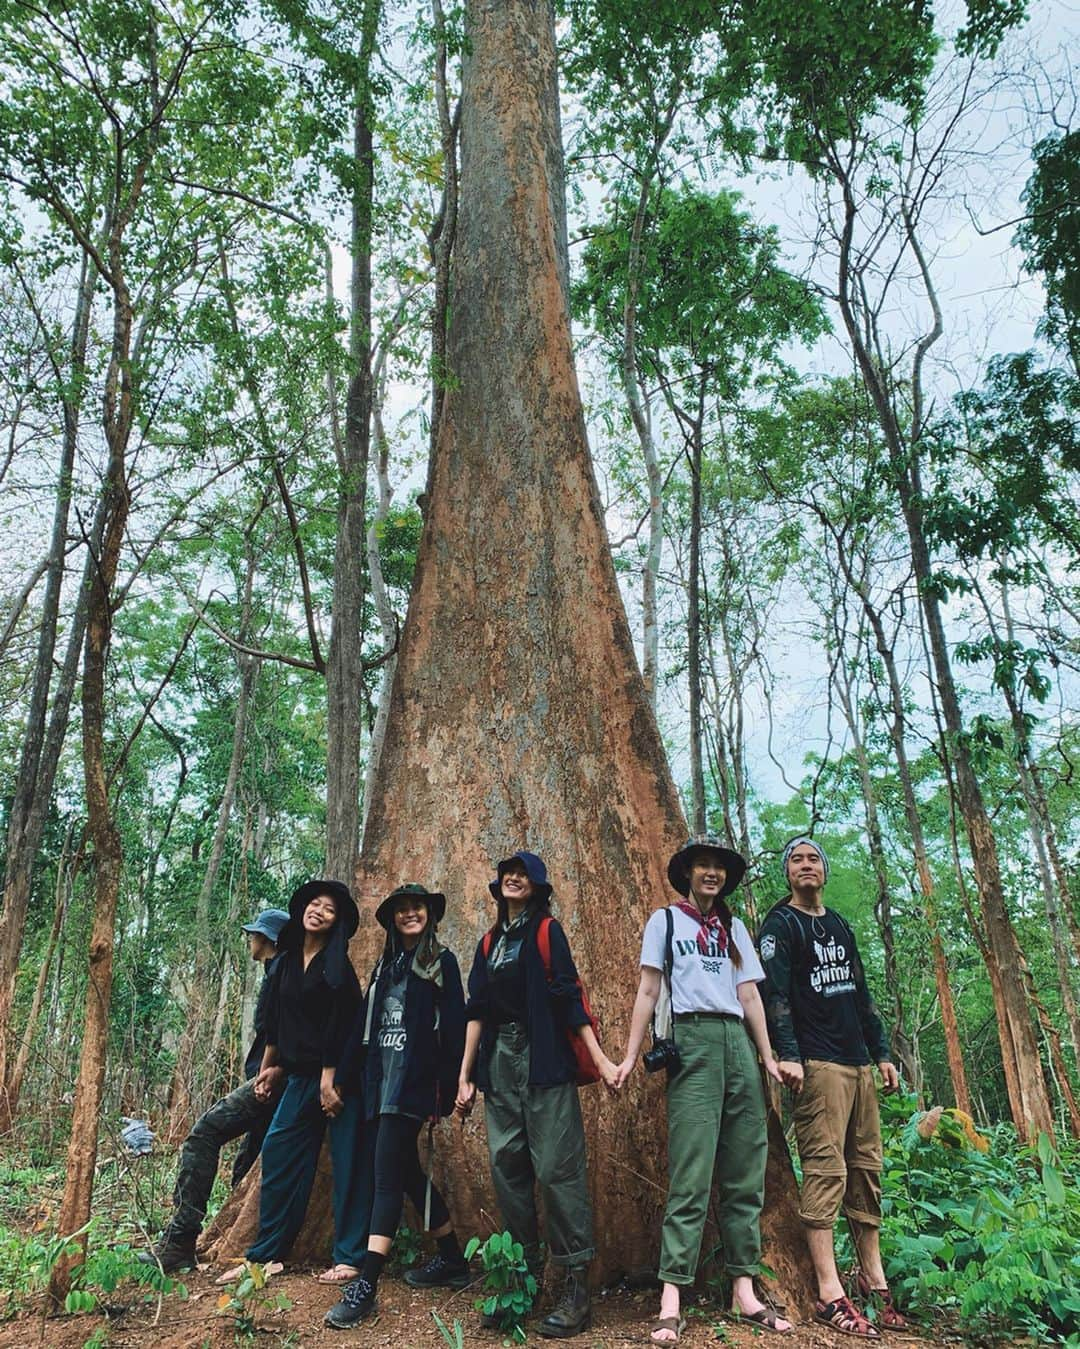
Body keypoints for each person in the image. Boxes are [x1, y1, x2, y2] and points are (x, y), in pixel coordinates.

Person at [614, 835, 792, 1345]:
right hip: (690, 1040)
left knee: (744, 1171)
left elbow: (750, 995)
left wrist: (767, 1058)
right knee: (691, 1169)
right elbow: (649, 988)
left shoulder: (734, 928)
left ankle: (744, 1288)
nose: (711, 873)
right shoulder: (665, 922)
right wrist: (629, 1055)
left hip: (737, 1042)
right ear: (688, 874)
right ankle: (671, 1297)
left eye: (718, 867)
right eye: (703, 866)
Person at [456, 850, 618, 1339]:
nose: (513, 878)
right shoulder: (489, 944)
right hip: (499, 1061)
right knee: (508, 1167)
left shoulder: (547, 933)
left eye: (523, 874)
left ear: (538, 887)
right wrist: (466, 1077)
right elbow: (476, 1011)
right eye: (507, 873)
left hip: (544, 1059)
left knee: (555, 1168)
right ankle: (520, 1282)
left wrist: (602, 1059)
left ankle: (575, 1284)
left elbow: (569, 998)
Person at [758, 837, 906, 1338]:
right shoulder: (781, 926)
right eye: (795, 859)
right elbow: (773, 994)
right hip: (817, 1066)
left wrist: (881, 1053)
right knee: (825, 1171)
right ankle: (829, 1293)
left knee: (866, 1170)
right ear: (787, 873)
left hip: (859, 1064)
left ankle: (874, 1279)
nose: (805, 865)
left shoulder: (839, 923)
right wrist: (788, 1054)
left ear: (824, 870)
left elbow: (861, 992)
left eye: (812, 858)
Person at [324, 883, 469, 1328]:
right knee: (407, 1173)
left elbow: (458, 1028)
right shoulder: (385, 967)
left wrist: (451, 1089)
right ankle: (452, 1258)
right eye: (402, 909)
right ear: (392, 919)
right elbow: (361, 1031)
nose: (410, 914)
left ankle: (367, 1283)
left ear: (429, 914)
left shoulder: (441, 963)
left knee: (386, 1175)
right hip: (379, 1084)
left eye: (417, 907)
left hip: (413, 1086)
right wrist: (341, 1080)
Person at [216, 879, 368, 1286]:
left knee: (347, 1161)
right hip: (300, 1077)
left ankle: (351, 1256)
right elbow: (277, 1023)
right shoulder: (284, 963)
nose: (318, 911)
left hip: (342, 1079)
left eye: (329, 909)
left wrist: (330, 1080)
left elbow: (343, 1027)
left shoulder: (338, 966)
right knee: (279, 1152)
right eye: (314, 904)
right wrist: (270, 1068)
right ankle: (266, 1255)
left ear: (337, 922)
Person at [139, 907, 290, 1273]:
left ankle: (180, 1240)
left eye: (254, 934)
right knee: (248, 1167)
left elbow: (284, 1032)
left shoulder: (281, 975)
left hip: (270, 1084)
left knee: (203, 1134)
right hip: (273, 1083)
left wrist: (270, 1072)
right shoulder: (277, 973)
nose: (250, 940)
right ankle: (237, 1238)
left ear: (268, 940)